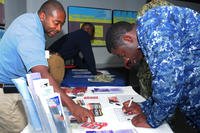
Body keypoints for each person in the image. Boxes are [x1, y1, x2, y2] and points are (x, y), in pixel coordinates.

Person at [0, 1, 94, 132]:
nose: (59, 29)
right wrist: (72, 106)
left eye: (61, 24)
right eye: (56, 23)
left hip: (14, 89)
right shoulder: (31, 31)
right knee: (23, 129)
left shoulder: (30, 22)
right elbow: (41, 75)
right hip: (5, 94)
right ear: (43, 16)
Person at [105, 6, 200, 130]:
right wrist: (143, 107)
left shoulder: (152, 29)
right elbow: (164, 82)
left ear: (128, 39)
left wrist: (152, 120)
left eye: (123, 54)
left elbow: (170, 81)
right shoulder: (148, 30)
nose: (126, 60)